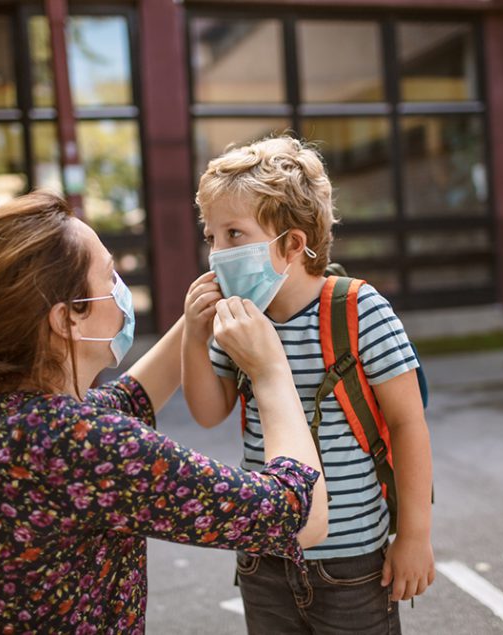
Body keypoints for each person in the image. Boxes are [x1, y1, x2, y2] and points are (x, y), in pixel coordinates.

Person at [0, 191, 327, 634]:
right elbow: (299, 516)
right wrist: (269, 371)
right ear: (67, 319)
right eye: (109, 274)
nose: (119, 288)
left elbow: (132, 399)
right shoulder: (75, 443)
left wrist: (197, 316)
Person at [182, 136, 435, 633]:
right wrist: (194, 334)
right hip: (264, 557)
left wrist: (414, 537)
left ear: (293, 244)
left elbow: (408, 425)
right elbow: (210, 411)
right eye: (211, 237)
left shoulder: (359, 311)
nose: (217, 254)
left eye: (234, 234)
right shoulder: (237, 321)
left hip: (354, 564)